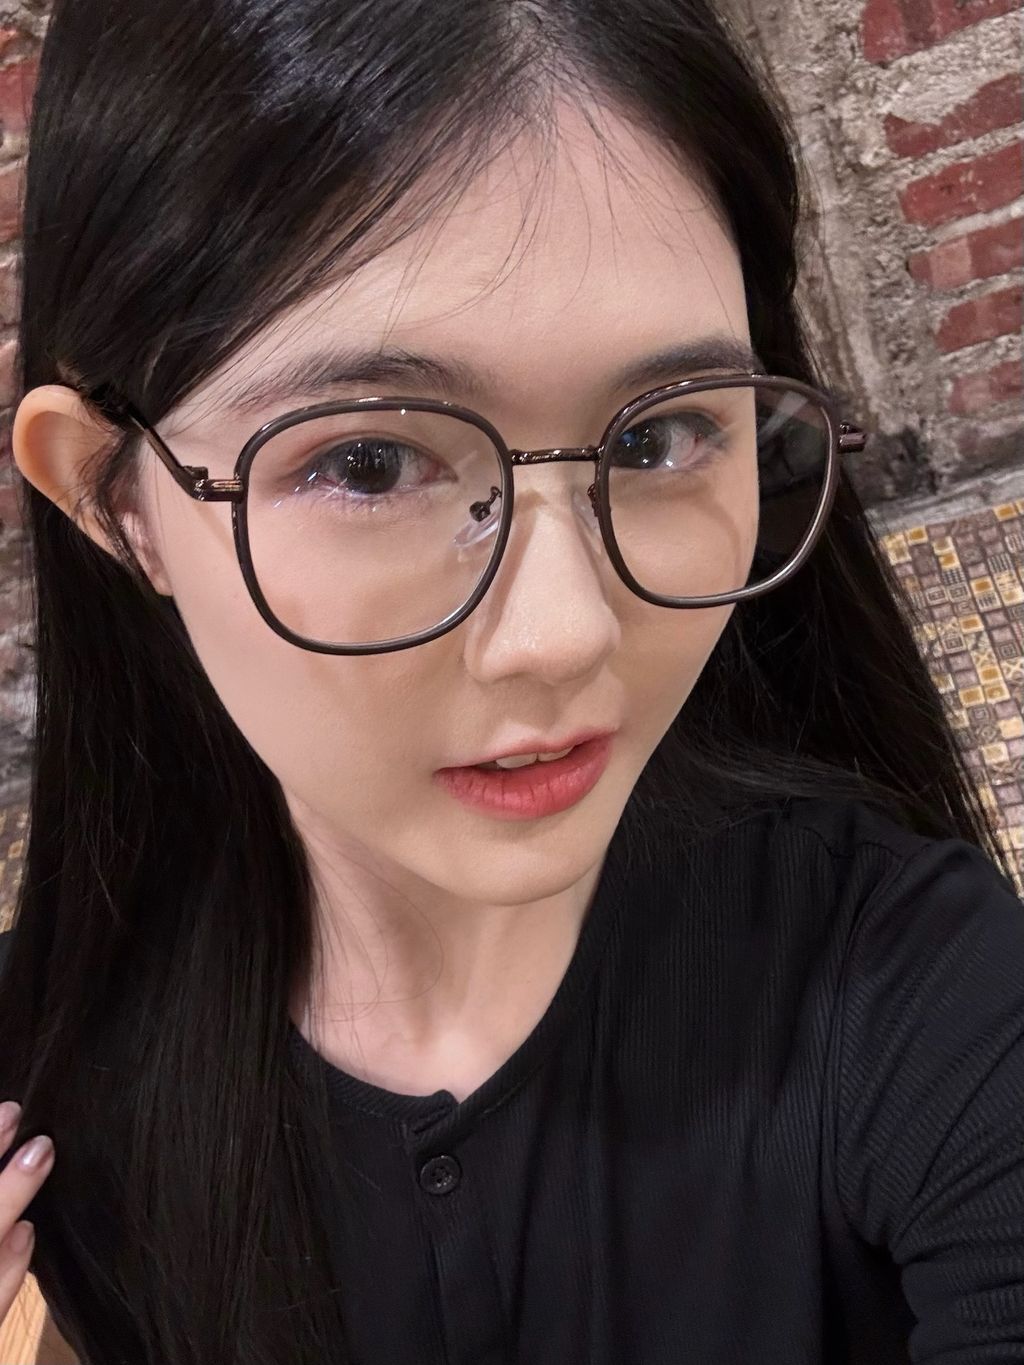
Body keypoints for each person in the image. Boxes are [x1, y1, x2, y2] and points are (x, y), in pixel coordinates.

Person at [0, 0, 1021, 1361]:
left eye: (660, 436)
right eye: (369, 462)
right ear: (113, 497)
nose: (563, 634)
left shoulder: (922, 998)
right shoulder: (61, 1080)